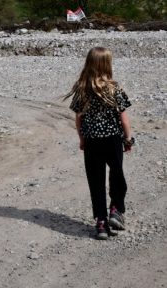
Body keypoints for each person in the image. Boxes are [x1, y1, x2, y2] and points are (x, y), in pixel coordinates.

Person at [65, 47, 134, 240]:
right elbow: (124, 119)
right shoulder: (114, 88)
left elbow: (78, 119)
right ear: (107, 65)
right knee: (117, 174)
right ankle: (115, 209)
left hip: (92, 141)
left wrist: (82, 139)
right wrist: (128, 139)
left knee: (95, 180)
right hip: (112, 139)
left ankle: (101, 222)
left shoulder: (82, 89)